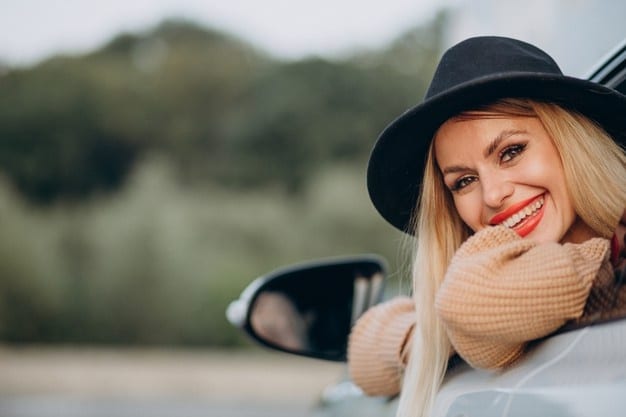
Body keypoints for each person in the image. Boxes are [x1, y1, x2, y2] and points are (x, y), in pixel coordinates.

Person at [346, 36, 626, 417]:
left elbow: (469, 301)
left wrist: (437, 334)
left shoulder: (610, 260)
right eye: (463, 182)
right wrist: (431, 329)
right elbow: (366, 348)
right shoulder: (499, 281)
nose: (493, 195)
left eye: (511, 152)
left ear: (571, 142)